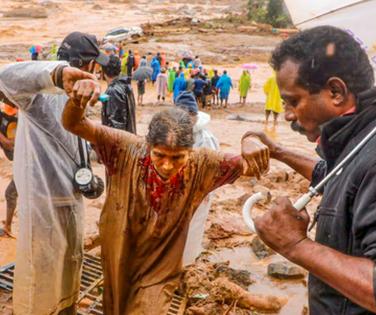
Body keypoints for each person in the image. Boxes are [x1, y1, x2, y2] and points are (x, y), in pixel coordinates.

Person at [247, 25, 376, 315]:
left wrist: (296, 246)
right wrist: (279, 152)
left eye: (293, 100)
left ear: (336, 92)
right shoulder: (365, 134)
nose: (288, 114)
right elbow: (338, 177)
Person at [62, 80, 270, 314]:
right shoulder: (123, 147)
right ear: (148, 144)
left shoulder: (203, 163)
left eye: (178, 158)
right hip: (120, 250)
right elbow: (74, 123)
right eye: (159, 155)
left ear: (189, 152)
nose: (167, 165)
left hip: (162, 264)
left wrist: (250, 139)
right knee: (115, 307)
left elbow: (251, 166)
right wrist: (77, 101)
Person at [0, 31, 108, 315]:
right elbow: (6, 77)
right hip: (42, 204)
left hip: (70, 201)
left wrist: (90, 177)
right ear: (84, 64)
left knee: (70, 268)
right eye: (95, 65)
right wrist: (57, 75)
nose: (97, 71)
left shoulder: (80, 99)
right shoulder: (37, 95)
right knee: (39, 280)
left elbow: (75, 144)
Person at [174, 91, 219, 265]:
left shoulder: (205, 139)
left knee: (191, 231)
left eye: (189, 115)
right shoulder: (172, 133)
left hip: (198, 194)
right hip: (175, 193)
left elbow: (213, 169)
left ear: (194, 115)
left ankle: (185, 266)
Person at [102, 55, 136, 134]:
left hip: (120, 142)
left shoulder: (113, 91)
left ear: (103, 72)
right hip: (129, 139)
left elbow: (116, 128)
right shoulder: (125, 85)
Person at [0, 103, 18, 238]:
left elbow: (9, 145)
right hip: (20, 162)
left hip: (29, 164)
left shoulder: (19, 119)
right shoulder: (4, 114)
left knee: (10, 193)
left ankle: (8, 227)